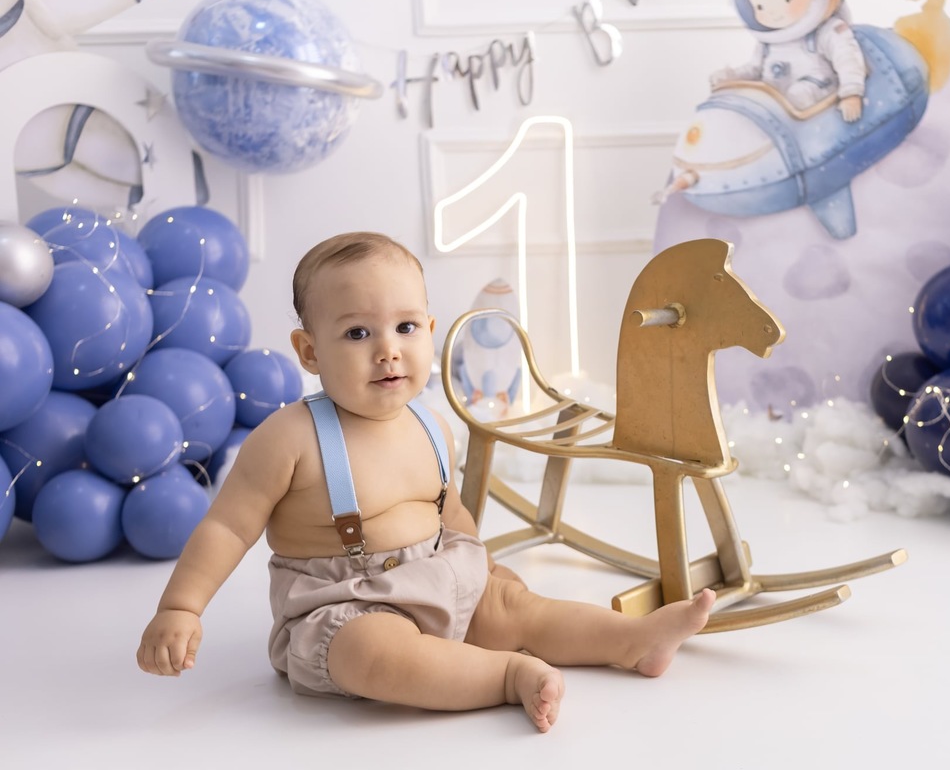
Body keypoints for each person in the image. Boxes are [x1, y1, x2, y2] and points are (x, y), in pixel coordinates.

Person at [136, 231, 716, 733]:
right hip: (348, 605)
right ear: (309, 352)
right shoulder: (289, 438)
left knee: (519, 607)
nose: (388, 350)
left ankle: (630, 640)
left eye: (405, 326)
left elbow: (450, 512)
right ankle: (506, 675)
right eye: (358, 334)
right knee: (372, 656)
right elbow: (227, 526)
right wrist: (181, 608)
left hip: (440, 572)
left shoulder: (432, 423)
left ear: (430, 331)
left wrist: (481, 565)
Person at [711, 0, 865, 121]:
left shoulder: (827, 31)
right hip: (773, 108)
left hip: (816, 103)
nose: (774, 13)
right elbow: (754, 68)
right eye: (760, 6)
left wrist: (851, 93)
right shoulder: (769, 42)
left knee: (798, 94)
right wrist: (731, 77)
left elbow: (847, 59)